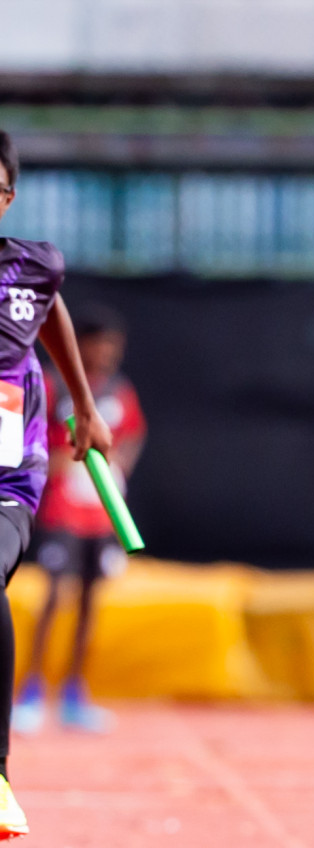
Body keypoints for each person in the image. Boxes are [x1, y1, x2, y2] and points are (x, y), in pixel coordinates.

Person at [0, 129, 117, 839]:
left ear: (6, 197)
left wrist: (85, 404)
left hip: (5, 477)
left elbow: (49, 308)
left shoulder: (30, 267)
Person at [14, 306, 145, 734]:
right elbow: (20, 435)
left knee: (90, 600)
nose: (105, 354)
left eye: (113, 346)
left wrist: (120, 463)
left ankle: (74, 692)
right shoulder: (52, 385)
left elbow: (134, 431)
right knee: (53, 596)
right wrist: (51, 463)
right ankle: (31, 691)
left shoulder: (118, 390)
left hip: (100, 513)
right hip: (60, 509)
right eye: (97, 344)